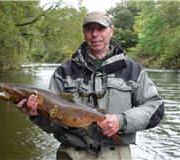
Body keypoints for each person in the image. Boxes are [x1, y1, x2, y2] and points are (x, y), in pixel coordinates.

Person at [17, 11, 164, 160]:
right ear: (84, 33)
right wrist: (36, 114)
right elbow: (51, 126)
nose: (94, 34)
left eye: (100, 28)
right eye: (89, 29)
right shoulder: (63, 72)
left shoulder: (133, 71)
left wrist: (122, 121)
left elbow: (156, 109)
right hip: (71, 155)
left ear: (111, 31)